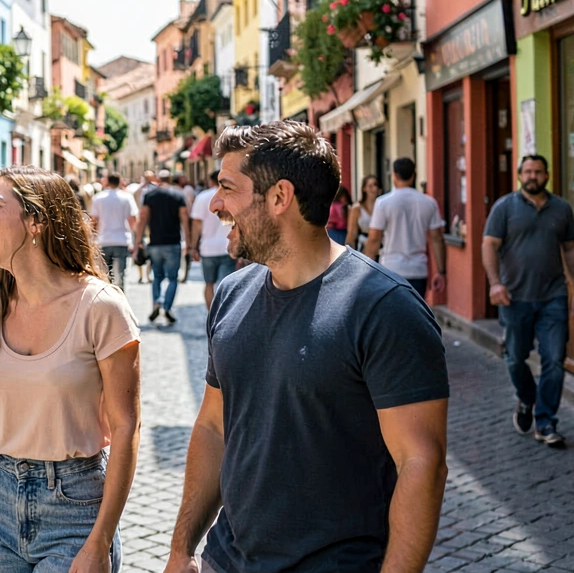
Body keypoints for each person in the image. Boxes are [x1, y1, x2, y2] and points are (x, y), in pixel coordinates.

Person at [161, 122, 449, 573]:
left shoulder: (385, 308)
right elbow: (214, 427)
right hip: (227, 560)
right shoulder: (232, 293)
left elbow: (422, 464)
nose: (215, 204)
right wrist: (181, 550)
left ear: (279, 197)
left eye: (227, 188)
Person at [0, 166, 140, 573]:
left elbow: (126, 427)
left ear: (36, 222)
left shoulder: (101, 307)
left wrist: (100, 540)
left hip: (76, 506)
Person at [483, 155, 574, 448]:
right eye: (527, 171)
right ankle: (528, 398)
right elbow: (489, 244)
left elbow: (570, 248)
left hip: (553, 296)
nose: (533, 175)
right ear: (519, 174)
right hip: (514, 297)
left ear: (547, 175)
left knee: (554, 359)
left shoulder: (561, 208)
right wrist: (495, 284)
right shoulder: (504, 207)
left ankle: (546, 422)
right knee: (515, 358)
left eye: (538, 171)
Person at [364, 158, 447, 297]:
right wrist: (441, 271)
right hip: (418, 269)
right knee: (415, 315)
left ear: (394, 175)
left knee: (392, 315)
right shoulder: (429, 202)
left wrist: (365, 270)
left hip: (391, 268)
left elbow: (374, 239)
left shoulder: (383, 203)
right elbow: (437, 238)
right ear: (414, 175)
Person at [134, 169, 189, 324]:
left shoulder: (150, 196)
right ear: (170, 179)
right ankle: (167, 306)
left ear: (157, 180)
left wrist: (138, 240)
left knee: (157, 277)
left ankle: (157, 301)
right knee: (172, 278)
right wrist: (190, 242)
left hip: (155, 242)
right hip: (173, 242)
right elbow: (184, 218)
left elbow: (143, 217)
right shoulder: (178, 195)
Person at [188, 170, 234, 312]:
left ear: (211, 181)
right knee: (226, 284)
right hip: (227, 247)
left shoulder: (202, 197)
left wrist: (193, 247)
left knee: (209, 284)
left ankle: (212, 315)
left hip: (208, 248)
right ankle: (224, 314)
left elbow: (196, 224)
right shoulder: (230, 197)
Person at [90, 173, 139, 289]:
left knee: (104, 274)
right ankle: (120, 296)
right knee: (120, 273)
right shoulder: (127, 197)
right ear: (119, 182)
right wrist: (135, 239)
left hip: (103, 239)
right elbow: (133, 220)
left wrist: (92, 238)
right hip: (121, 239)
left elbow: (94, 220)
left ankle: (107, 296)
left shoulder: (98, 198)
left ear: (107, 181)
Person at [346, 174, 381, 251]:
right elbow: (351, 234)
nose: (374, 188)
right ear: (364, 188)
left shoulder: (383, 206)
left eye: (376, 185)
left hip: (381, 247)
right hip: (363, 247)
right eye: (370, 186)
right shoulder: (357, 208)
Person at [175, 174, 197, 283]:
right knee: (186, 249)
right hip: (186, 221)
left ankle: (183, 273)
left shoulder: (184, 190)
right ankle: (183, 273)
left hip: (184, 222)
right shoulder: (186, 191)